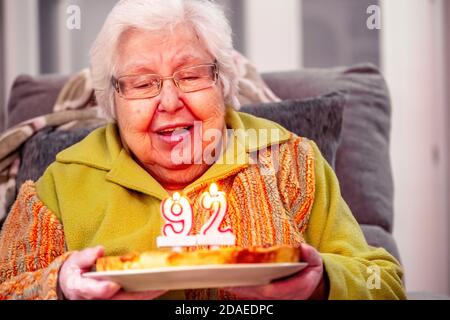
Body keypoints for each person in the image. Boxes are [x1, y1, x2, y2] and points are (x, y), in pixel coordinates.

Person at [0, 0, 405, 300]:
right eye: (142, 84)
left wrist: (321, 283)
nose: (170, 102)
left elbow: (383, 281)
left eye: (190, 75)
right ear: (113, 101)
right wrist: (58, 286)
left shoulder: (291, 161)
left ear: (222, 81)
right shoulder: (61, 183)